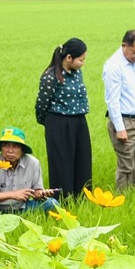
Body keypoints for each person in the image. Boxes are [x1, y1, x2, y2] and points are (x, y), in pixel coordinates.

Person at [35, 37, 91, 197]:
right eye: (81, 60)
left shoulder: (77, 72)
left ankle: (82, 198)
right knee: (62, 164)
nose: (82, 63)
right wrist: (50, 124)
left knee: (82, 160)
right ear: (68, 58)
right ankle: (63, 200)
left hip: (79, 121)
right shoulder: (50, 76)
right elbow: (41, 104)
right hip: (58, 122)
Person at [0, 128, 59, 215]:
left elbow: (36, 192)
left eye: (16, 146)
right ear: (1, 148)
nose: (10, 151)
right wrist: (13, 194)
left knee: (52, 204)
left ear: (22, 150)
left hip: (22, 207)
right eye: (6, 146)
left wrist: (41, 194)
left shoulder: (33, 163)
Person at [102, 30, 135, 192]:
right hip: (125, 121)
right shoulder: (114, 66)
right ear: (124, 46)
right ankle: (122, 196)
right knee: (126, 165)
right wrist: (120, 128)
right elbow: (112, 100)